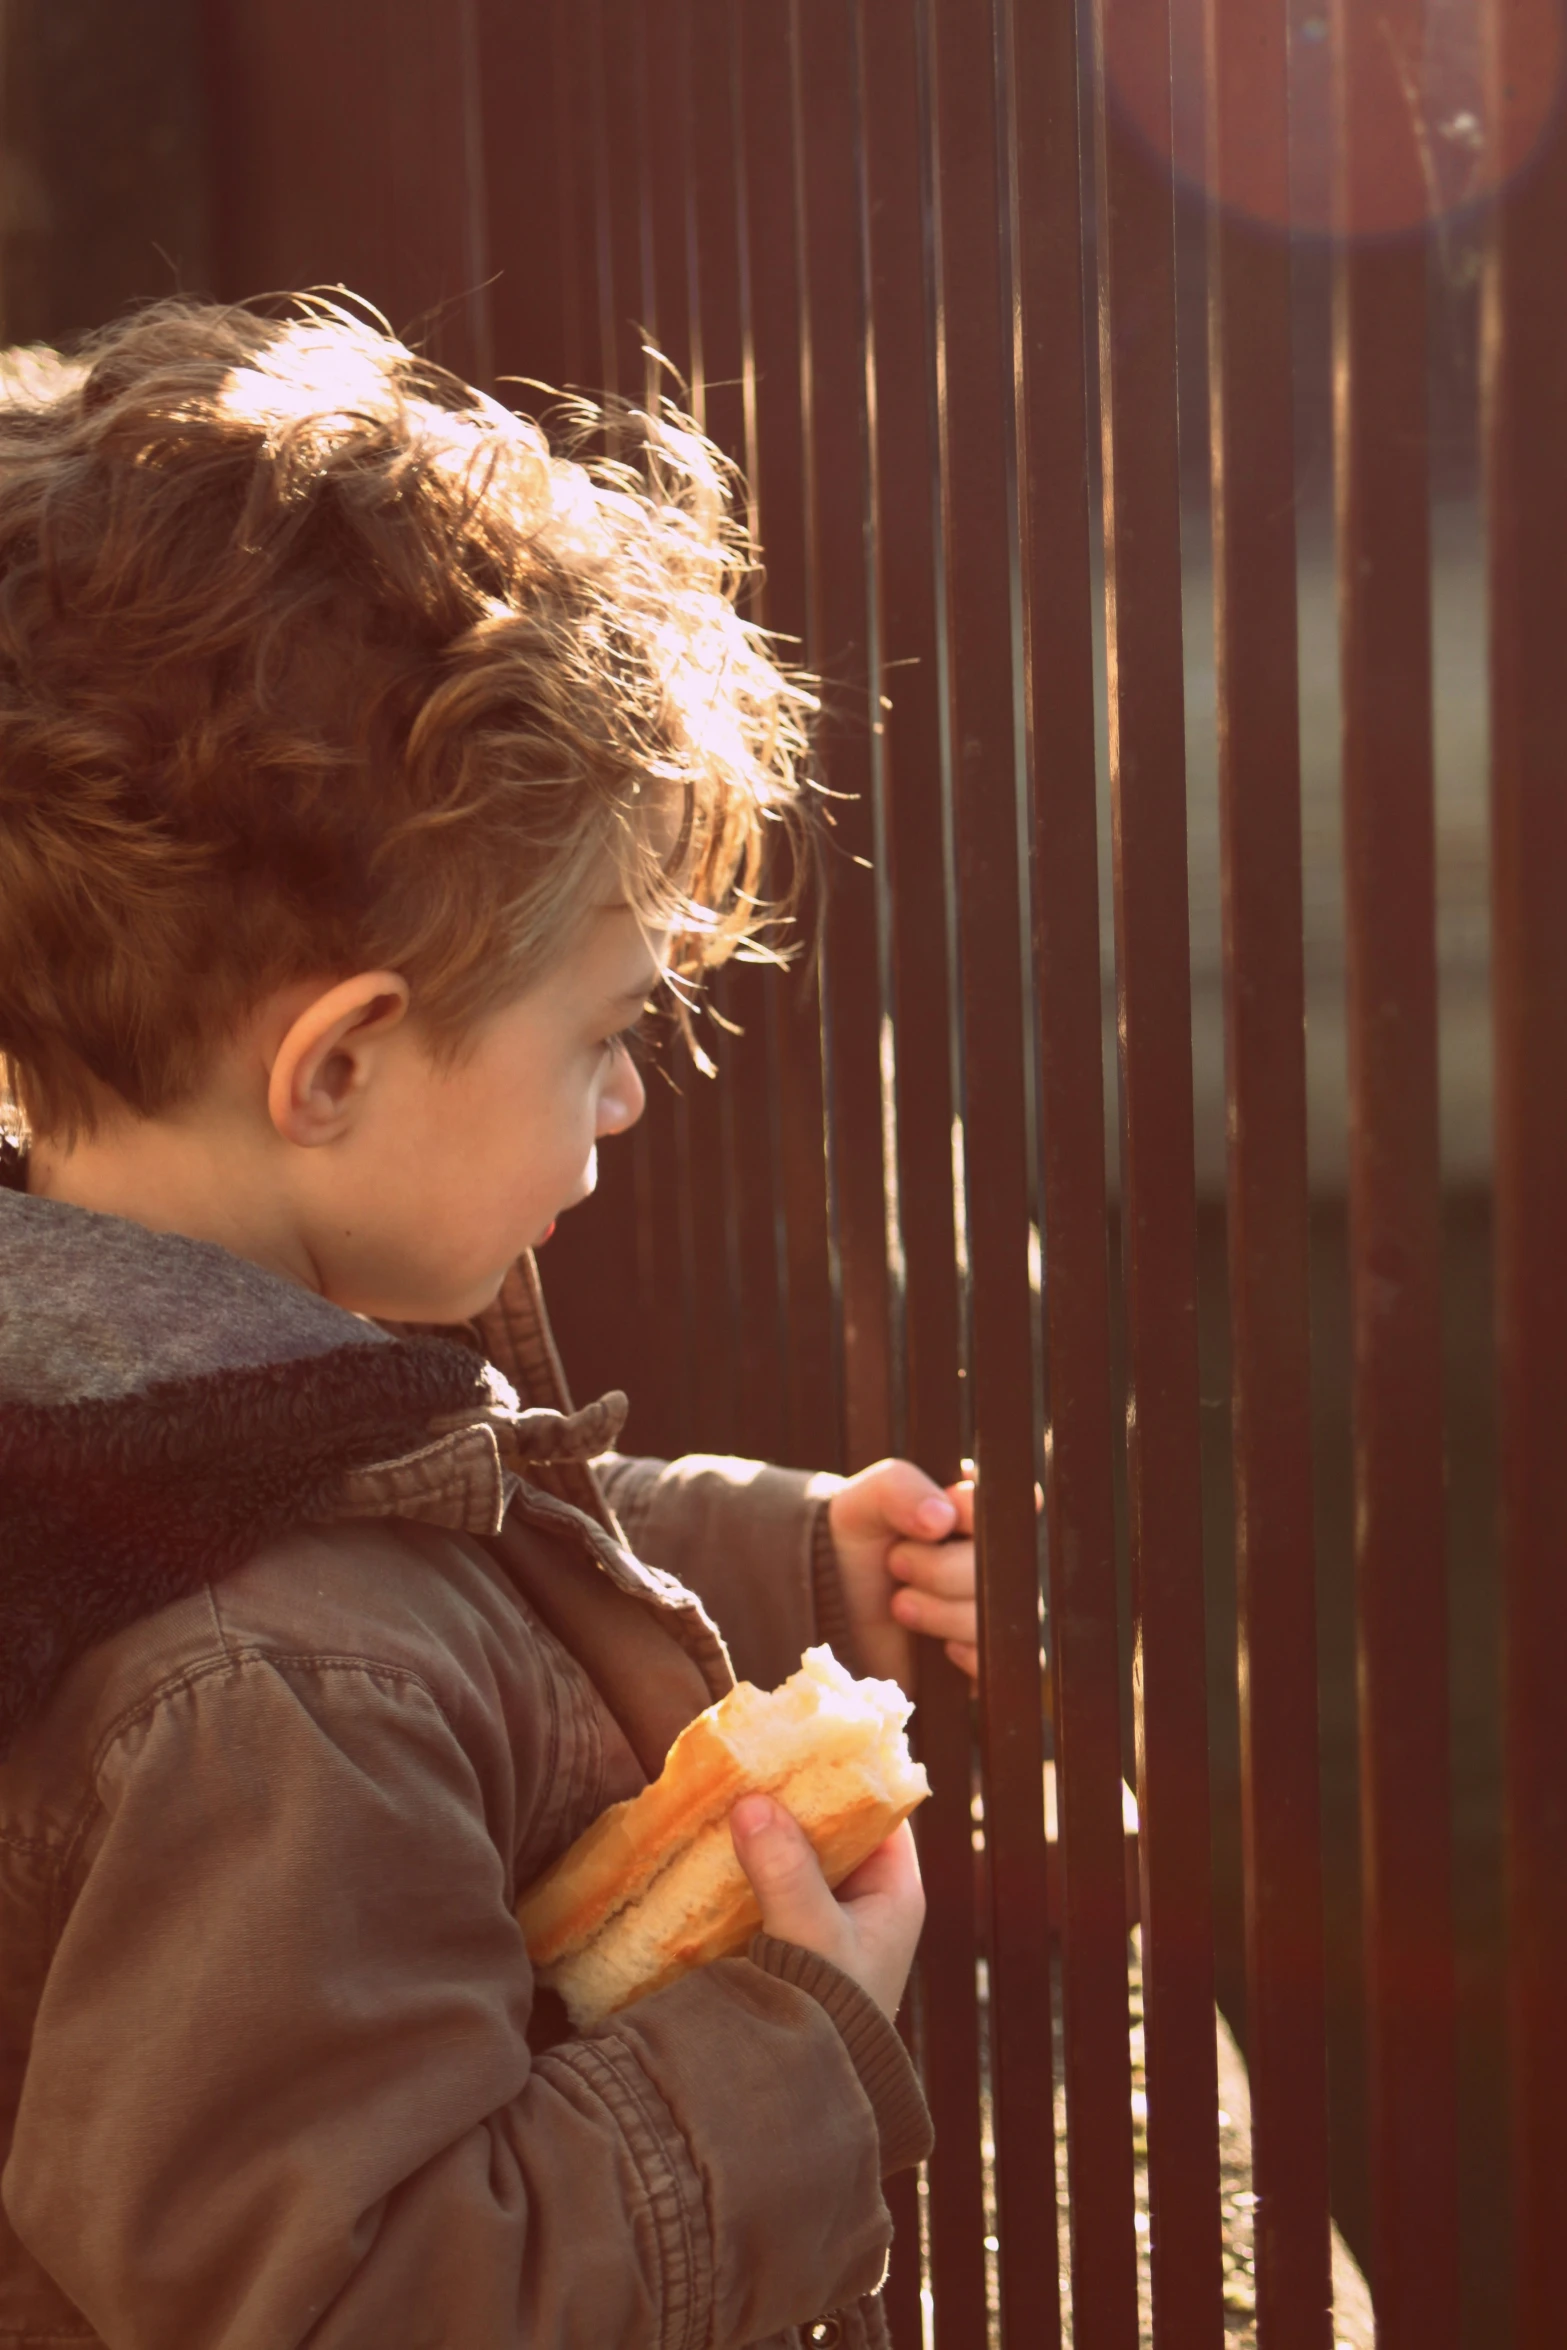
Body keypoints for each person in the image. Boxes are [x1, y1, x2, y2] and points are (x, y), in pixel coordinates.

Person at [0, 297, 980, 2350]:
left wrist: (782, 1550)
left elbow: (432, 1531)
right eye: (601, 1032)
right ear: (337, 1064)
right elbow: (376, 2304)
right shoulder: (270, 1689)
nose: (625, 1094)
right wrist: (801, 2050)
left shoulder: (136, 1386)